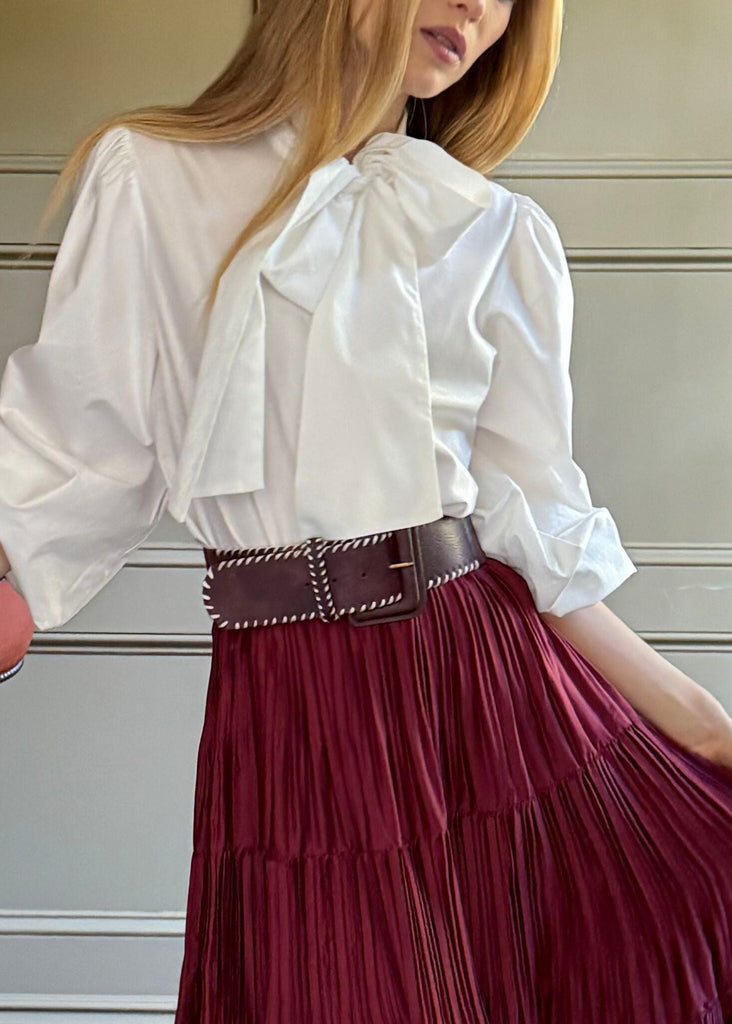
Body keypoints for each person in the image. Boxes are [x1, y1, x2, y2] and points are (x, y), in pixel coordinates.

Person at [1, 0, 731, 1020]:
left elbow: (531, 530)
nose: (481, 9)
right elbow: (76, 454)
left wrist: (704, 730)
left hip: (486, 687)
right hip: (290, 707)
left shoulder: (494, 230)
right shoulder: (151, 177)